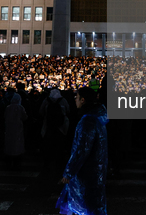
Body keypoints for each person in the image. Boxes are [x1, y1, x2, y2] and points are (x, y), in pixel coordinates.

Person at [56, 87, 108, 215]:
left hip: (87, 172)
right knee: (94, 206)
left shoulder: (88, 121)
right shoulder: (97, 118)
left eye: (77, 97)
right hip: (96, 171)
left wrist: (69, 172)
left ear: (83, 100)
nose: (75, 100)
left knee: (87, 206)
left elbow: (81, 150)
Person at [4, 93, 28, 168]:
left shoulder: (8, 107)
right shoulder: (20, 108)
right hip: (18, 128)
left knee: (9, 143)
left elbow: (4, 116)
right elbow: (25, 117)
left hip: (9, 128)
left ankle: (9, 160)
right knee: (17, 144)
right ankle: (16, 161)